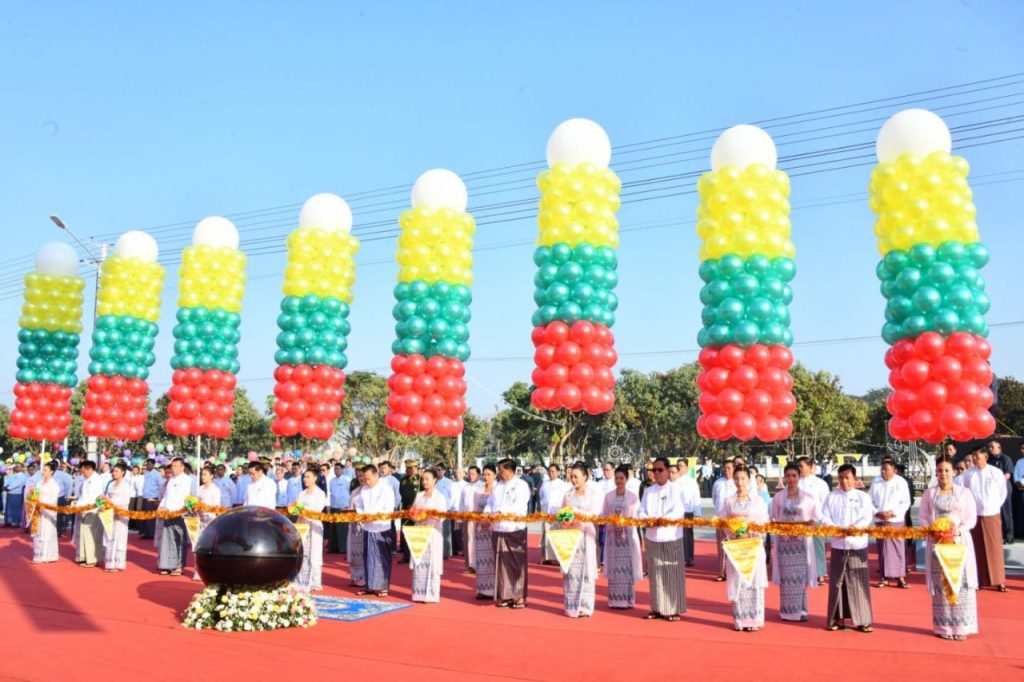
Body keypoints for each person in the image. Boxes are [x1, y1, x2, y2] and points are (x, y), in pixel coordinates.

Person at [919, 456, 979, 641]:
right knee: (942, 583)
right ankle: (943, 626)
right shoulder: (930, 494)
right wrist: (933, 531)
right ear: (935, 473)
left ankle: (961, 626)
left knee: (960, 582)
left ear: (954, 472)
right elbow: (923, 517)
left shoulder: (964, 493)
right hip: (938, 544)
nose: (943, 474)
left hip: (959, 543)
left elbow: (971, 519)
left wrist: (957, 531)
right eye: (940, 470)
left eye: (947, 470)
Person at [821, 464, 875, 632]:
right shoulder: (831, 497)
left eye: (847, 478)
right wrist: (835, 529)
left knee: (859, 582)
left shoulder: (863, 497)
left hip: (857, 545)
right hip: (838, 545)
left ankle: (863, 621)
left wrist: (853, 529)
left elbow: (866, 517)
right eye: (841, 478)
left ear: (855, 479)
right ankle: (837, 619)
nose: (844, 481)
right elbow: (824, 517)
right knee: (837, 583)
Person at [720, 466, 769, 631]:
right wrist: (733, 531)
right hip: (736, 547)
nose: (739, 482)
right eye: (736, 478)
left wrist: (750, 531)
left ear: (749, 480)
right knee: (738, 582)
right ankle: (740, 620)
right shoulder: (729, 501)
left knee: (753, 581)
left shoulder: (757, 501)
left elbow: (763, 523)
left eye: (742, 478)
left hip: (753, 545)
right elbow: (723, 522)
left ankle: (754, 620)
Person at [639, 457, 686, 622]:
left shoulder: (676, 489)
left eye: (660, 470)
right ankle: (657, 608)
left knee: (672, 573)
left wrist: (661, 521)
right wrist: (647, 519)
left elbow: (678, 510)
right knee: (655, 574)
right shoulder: (648, 491)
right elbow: (641, 511)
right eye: (654, 470)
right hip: (652, 537)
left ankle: (673, 609)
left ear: (667, 471)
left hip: (671, 536)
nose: (656, 473)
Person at [770, 463, 819, 622]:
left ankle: (802, 610)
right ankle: (787, 611)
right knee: (786, 578)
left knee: (800, 577)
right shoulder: (778, 497)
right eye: (788, 476)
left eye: (794, 476)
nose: (791, 479)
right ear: (784, 477)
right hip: (784, 543)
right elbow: (772, 517)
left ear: (799, 477)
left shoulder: (807, 497)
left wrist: (809, 524)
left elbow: (815, 517)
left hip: (800, 543)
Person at [558, 462, 603, 618]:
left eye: (576, 477)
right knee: (570, 571)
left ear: (585, 476)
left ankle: (585, 606)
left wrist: (576, 512)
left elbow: (594, 514)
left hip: (585, 536)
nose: (573, 480)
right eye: (571, 477)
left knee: (586, 571)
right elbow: (562, 514)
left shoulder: (592, 494)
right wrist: (565, 519)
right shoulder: (568, 494)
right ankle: (571, 605)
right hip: (570, 537)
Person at [486, 458, 531, 609]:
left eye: (501, 470)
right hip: (498, 528)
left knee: (517, 563)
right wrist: (487, 512)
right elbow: (490, 502)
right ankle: (505, 595)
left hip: (514, 528)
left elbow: (519, 506)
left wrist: (500, 513)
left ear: (510, 470)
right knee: (501, 564)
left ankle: (519, 597)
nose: (498, 473)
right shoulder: (498, 486)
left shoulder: (521, 485)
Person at [961, 448, 1008, 591]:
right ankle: (979, 580)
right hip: (974, 514)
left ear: (986, 457)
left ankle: (999, 581)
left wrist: (994, 506)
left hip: (991, 513)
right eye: (973, 456)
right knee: (977, 547)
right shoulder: (968, 474)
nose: (975, 459)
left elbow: (1002, 492)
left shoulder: (995, 472)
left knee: (995, 547)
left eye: (977, 456)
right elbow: (964, 493)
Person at [602, 464, 642, 609]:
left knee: (627, 568)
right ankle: (614, 600)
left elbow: (636, 515)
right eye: (617, 478)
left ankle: (628, 600)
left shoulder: (633, 497)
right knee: (614, 568)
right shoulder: (608, 496)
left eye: (621, 478)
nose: (619, 481)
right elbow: (604, 514)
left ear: (626, 479)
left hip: (627, 538)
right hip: (613, 538)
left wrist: (625, 522)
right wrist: (612, 521)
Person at [869, 458, 912, 589]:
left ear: (894, 470)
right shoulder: (876, 481)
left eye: (886, 470)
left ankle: (900, 577)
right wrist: (876, 512)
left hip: (895, 519)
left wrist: (893, 513)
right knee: (882, 549)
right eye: (882, 469)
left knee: (898, 549)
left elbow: (906, 502)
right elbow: (869, 500)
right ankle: (884, 577)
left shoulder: (901, 482)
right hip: (880, 519)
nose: (883, 472)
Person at [355, 464, 395, 597]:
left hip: (381, 527)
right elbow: (359, 505)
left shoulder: (386, 489)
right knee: (368, 557)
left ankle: (383, 586)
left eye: (369, 478)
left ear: (376, 475)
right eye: (364, 478)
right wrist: (362, 515)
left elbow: (389, 508)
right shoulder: (364, 490)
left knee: (381, 558)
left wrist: (375, 516)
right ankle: (370, 585)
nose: (366, 481)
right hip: (368, 527)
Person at [410, 468, 447, 603]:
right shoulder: (419, 495)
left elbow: (442, 516)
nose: (424, 482)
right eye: (423, 479)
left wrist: (427, 515)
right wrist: (415, 516)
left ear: (434, 480)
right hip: (419, 533)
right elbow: (413, 512)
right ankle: (418, 594)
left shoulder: (439, 497)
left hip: (432, 534)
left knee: (432, 563)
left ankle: (431, 595)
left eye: (427, 479)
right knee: (419, 562)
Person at [797, 457, 831, 585]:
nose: (799, 468)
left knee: (818, 546)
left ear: (810, 467)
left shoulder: (820, 483)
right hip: (800, 520)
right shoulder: (796, 482)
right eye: (798, 466)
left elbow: (826, 503)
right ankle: (804, 572)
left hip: (816, 519)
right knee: (801, 547)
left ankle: (820, 573)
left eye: (802, 466)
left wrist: (822, 518)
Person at [156, 458, 191, 576]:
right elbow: (166, 496)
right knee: (167, 539)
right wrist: (161, 507)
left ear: (182, 467)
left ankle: (178, 566)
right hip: (167, 513)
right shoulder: (171, 480)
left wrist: (170, 509)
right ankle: (167, 565)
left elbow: (183, 497)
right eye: (172, 466)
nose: (173, 468)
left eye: (176, 466)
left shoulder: (186, 479)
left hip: (179, 513)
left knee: (179, 539)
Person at [295, 468, 327, 592]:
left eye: (308, 477)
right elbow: (297, 508)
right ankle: (301, 579)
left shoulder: (320, 493)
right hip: (302, 525)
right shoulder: (301, 493)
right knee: (303, 552)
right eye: (304, 477)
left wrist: (304, 512)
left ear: (315, 478)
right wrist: (297, 511)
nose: (305, 479)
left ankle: (314, 581)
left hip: (314, 525)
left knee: (314, 553)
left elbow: (318, 509)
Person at [193, 466, 223, 581]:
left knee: (209, 547)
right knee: (197, 545)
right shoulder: (199, 489)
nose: (203, 476)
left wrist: (204, 508)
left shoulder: (215, 490)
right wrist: (193, 507)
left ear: (211, 476)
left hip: (210, 520)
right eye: (202, 474)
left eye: (205, 474)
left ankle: (210, 571)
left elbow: (215, 507)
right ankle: (197, 570)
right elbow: (195, 502)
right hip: (199, 519)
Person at [473, 464, 498, 600]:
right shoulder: (478, 490)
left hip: (493, 529)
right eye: (484, 474)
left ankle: (494, 590)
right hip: (480, 530)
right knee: (481, 560)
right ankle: (482, 589)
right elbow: (475, 510)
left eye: (489, 474)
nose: (486, 477)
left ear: (495, 475)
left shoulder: (498, 489)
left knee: (493, 559)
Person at [75, 461, 107, 568]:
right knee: (84, 534)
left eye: (83, 471)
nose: (82, 473)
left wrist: (85, 506)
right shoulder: (86, 479)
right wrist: (77, 505)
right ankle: (84, 557)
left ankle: (92, 559)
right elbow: (83, 496)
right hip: (84, 509)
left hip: (93, 510)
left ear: (89, 469)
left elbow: (95, 497)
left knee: (92, 535)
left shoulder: (97, 480)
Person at [102, 462, 132, 572]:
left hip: (120, 513)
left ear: (123, 473)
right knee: (109, 537)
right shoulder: (111, 484)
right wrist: (104, 504)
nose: (114, 473)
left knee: (119, 538)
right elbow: (107, 497)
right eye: (113, 471)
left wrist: (112, 504)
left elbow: (125, 502)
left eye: (116, 471)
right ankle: (109, 563)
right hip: (110, 513)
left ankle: (118, 564)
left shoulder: (126, 486)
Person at [539, 464, 570, 566]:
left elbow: (566, 499)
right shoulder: (545, 484)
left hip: (559, 514)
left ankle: (561, 557)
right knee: (546, 536)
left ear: (558, 472)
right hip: (547, 514)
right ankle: (546, 557)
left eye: (553, 471)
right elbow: (541, 497)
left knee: (560, 536)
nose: (550, 473)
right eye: (549, 471)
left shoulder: (563, 485)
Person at [711, 459, 737, 581]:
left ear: (734, 468)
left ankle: (733, 572)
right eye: (725, 468)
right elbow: (714, 499)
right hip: (720, 519)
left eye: (729, 468)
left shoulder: (737, 482)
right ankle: (722, 573)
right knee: (721, 547)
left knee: (734, 546)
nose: (726, 471)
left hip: (734, 520)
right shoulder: (718, 483)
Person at [674, 459, 702, 567]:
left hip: (687, 512)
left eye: (681, 466)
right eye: (678, 465)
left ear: (686, 467)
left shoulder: (691, 481)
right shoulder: (673, 481)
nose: (679, 468)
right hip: (675, 513)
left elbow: (696, 497)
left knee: (687, 536)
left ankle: (688, 558)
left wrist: (697, 513)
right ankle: (677, 556)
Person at [32, 462, 60, 564]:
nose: (43, 472)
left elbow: (53, 499)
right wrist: (33, 500)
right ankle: (38, 555)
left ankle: (46, 556)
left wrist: (43, 504)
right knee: (38, 532)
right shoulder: (39, 483)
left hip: (47, 511)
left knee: (47, 532)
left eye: (45, 470)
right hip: (38, 509)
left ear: (51, 472)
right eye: (43, 470)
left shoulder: (54, 484)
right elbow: (35, 494)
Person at [987, 440, 1015, 543]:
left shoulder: (1005, 458)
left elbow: (1008, 474)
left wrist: (998, 482)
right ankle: (999, 536)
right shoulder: (988, 459)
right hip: (992, 488)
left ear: (999, 447)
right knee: (995, 512)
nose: (990, 449)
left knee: (1006, 512)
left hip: (1004, 486)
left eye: (992, 447)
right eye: (989, 447)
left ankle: (1009, 536)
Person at [459, 466, 482, 574]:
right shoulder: (465, 487)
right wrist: (459, 519)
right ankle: (470, 565)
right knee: (468, 541)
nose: (470, 476)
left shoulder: (482, 486)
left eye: (473, 474)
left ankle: (480, 564)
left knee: (479, 542)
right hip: (467, 517)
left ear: (479, 475)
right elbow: (461, 503)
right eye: (469, 473)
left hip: (480, 518)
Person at [398, 460, 421, 563]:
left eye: (411, 468)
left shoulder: (420, 479)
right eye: (407, 468)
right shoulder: (403, 480)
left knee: (416, 533)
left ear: (416, 469)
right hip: (406, 510)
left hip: (417, 510)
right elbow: (401, 493)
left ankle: (416, 555)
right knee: (406, 532)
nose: (409, 470)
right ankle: (406, 555)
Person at [347, 468, 367, 587]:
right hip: (354, 525)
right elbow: (350, 507)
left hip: (365, 525)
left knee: (364, 552)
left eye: (362, 476)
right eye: (358, 476)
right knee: (354, 552)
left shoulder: (370, 491)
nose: (361, 478)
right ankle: (355, 576)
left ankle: (364, 577)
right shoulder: (355, 491)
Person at [327, 462, 351, 554]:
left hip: (343, 506)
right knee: (333, 529)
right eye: (335, 469)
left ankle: (343, 548)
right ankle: (333, 548)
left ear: (342, 470)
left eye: (338, 469)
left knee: (342, 529)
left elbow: (350, 493)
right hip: (333, 506)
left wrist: (348, 506)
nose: (336, 470)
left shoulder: (347, 480)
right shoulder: (331, 481)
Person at [140, 460, 162, 539]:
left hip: (153, 497)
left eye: (149, 464)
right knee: (145, 516)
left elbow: (160, 486)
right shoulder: (146, 473)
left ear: (153, 464)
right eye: (146, 464)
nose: (147, 466)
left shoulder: (157, 474)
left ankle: (151, 534)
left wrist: (158, 498)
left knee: (151, 517)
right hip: (145, 496)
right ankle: (145, 533)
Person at [1014, 443, 1024, 541]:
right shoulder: (1019, 462)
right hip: (1021, 490)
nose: (1022, 450)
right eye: (1021, 449)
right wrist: (1018, 482)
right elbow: (1016, 474)